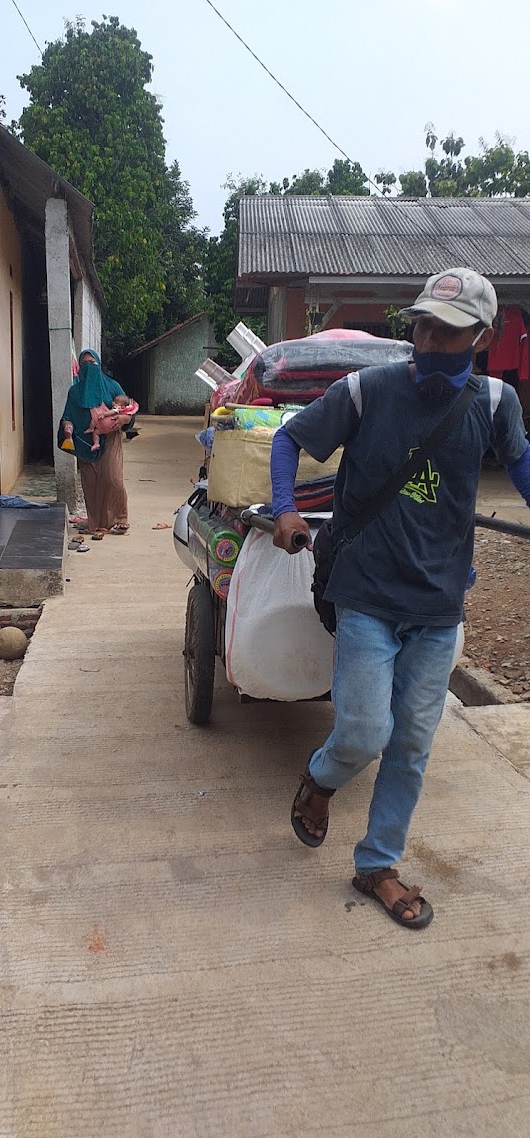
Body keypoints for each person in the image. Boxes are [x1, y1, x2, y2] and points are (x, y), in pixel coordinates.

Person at [271, 267, 530, 929]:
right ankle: (323, 778)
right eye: (422, 327)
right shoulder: (366, 391)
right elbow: (290, 437)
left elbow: (520, 461)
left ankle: (377, 864)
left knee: (413, 743)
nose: (431, 341)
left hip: (438, 602)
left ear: (481, 337)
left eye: (448, 332)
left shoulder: (496, 403)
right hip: (366, 590)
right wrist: (284, 509)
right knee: (364, 729)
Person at [58, 349, 132, 537]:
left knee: (113, 478)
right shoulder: (75, 392)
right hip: (85, 442)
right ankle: (97, 523)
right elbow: (67, 416)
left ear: (99, 365)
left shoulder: (112, 386)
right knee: (91, 484)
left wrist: (123, 420)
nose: (89, 367)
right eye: (85, 364)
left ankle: (120, 518)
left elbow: (129, 410)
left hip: (110, 439)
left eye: (93, 363)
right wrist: (68, 427)